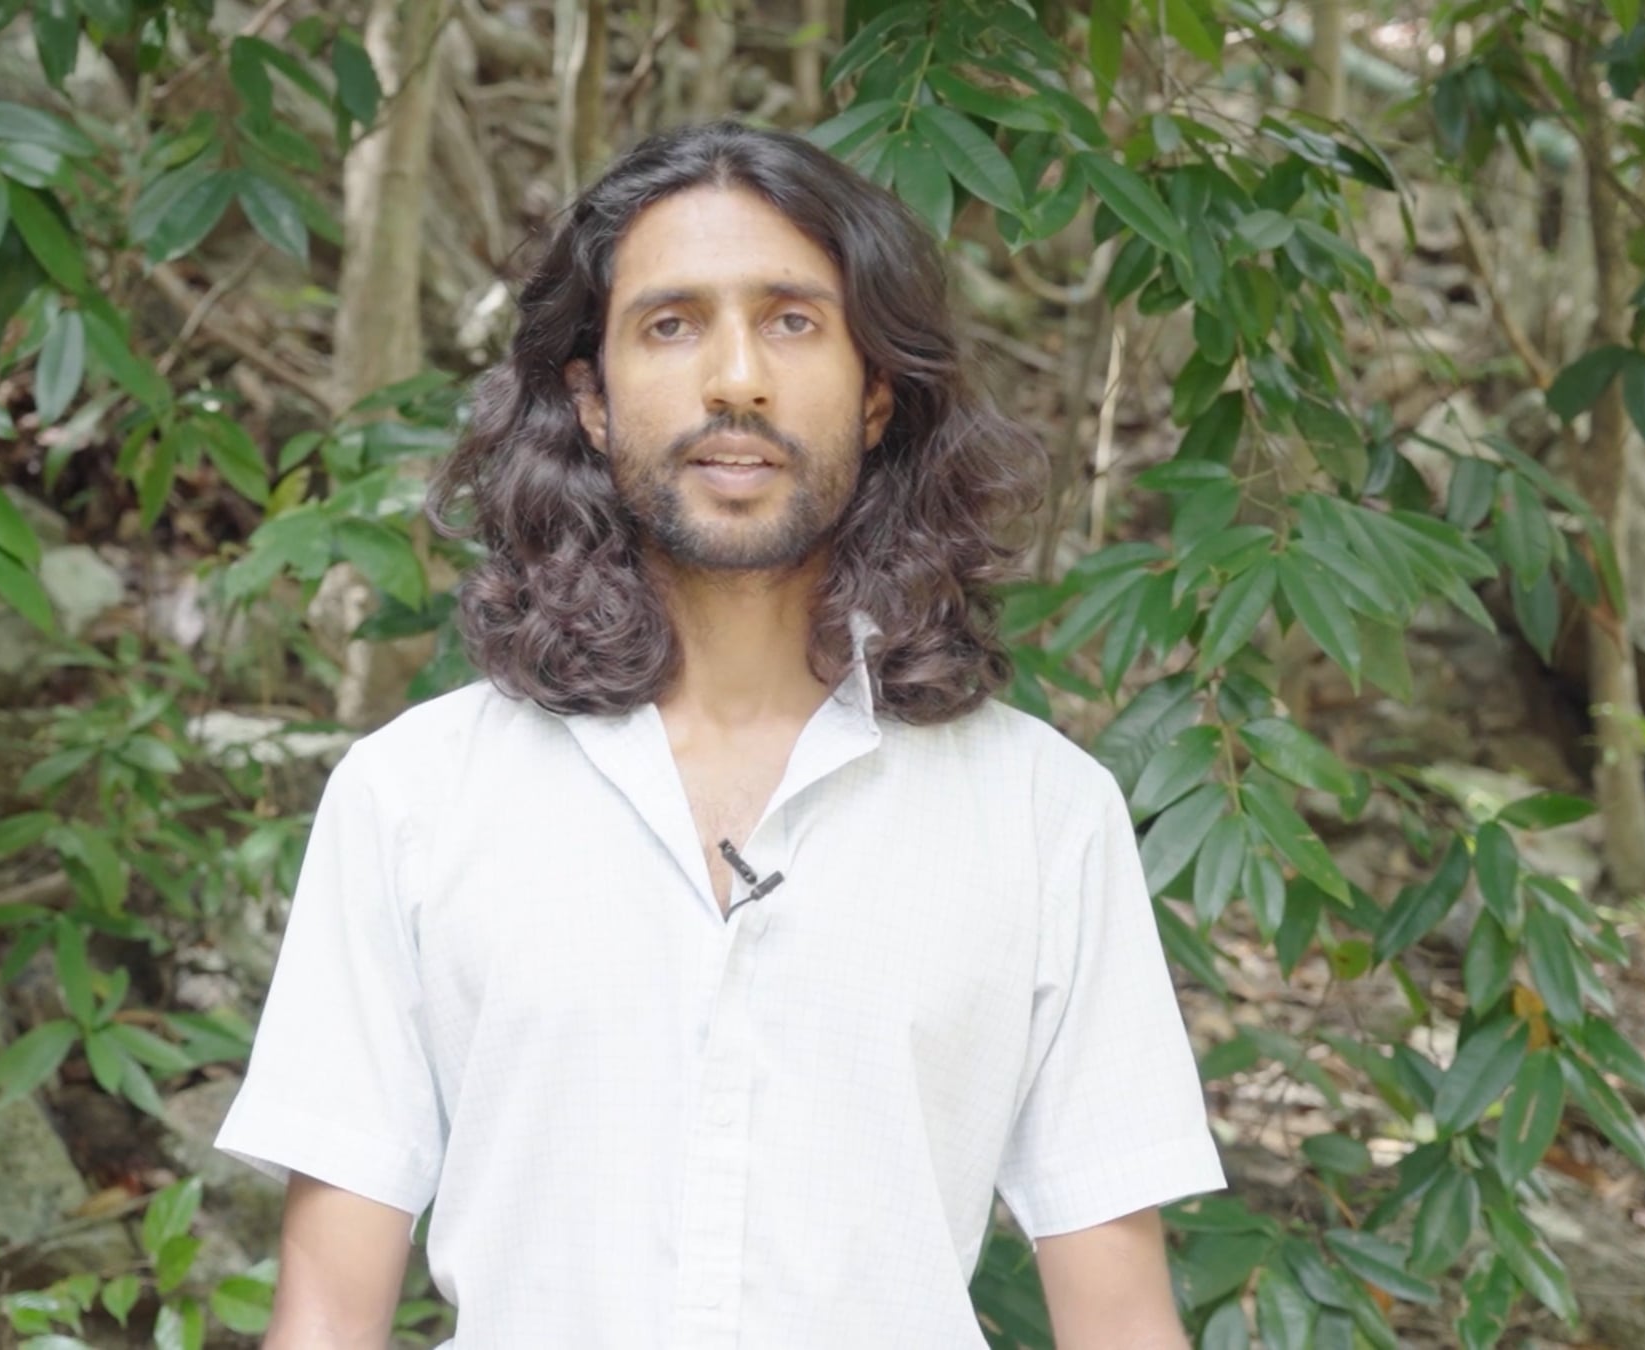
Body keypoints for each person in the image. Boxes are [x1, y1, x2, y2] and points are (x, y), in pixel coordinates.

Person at [216, 120, 1224, 1348]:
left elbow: (1121, 1320)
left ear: (876, 393)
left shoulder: (1042, 814)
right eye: (671, 324)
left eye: (792, 320)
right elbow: (326, 1314)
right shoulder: (414, 797)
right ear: (590, 399)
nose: (736, 378)